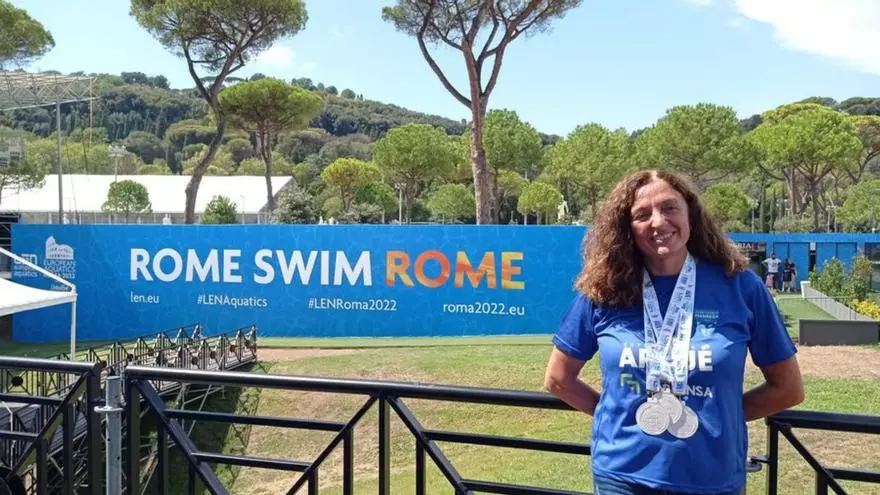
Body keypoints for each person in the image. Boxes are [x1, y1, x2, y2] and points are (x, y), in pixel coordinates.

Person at [544, 169, 803, 495]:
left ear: (690, 215)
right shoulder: (605, 290)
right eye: (642, 215)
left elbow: (788, 389)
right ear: (627, 228)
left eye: (669, 208)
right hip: (622, 477)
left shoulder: (740, 286)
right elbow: (558, 378)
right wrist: (617, 416)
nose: (658, 221)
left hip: (712, 480)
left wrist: (721, 418)